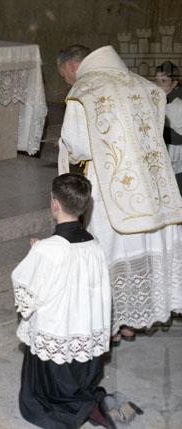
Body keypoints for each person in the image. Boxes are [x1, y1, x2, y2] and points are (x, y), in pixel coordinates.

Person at [56, 45, 182, 345]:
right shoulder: (147, 87)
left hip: (109, 189)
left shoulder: (83, 92)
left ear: (72, 66)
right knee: (139, 248)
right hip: (151, 188)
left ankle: (110, 324)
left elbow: (78, 146)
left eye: (64, 76)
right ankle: (131, 321)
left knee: (109, 253)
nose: (67, 81)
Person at [13, 173, 114, 429]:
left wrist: (36, 252)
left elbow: (25, 287)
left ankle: (60, 409)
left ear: (55, 204)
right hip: (83, 328)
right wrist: (41, 249)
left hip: (57, 331)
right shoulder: (94, 243)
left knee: (40, 398)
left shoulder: (48, 250)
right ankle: (84, 402)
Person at [155, 61, 182, 192]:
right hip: (159, 155)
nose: (158, 85)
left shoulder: (178, 106)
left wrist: (158, 129)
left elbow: (180, 137)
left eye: (164, 81)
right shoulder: (155, 101)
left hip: (175, 159)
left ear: (174, 83)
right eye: (157, 81)